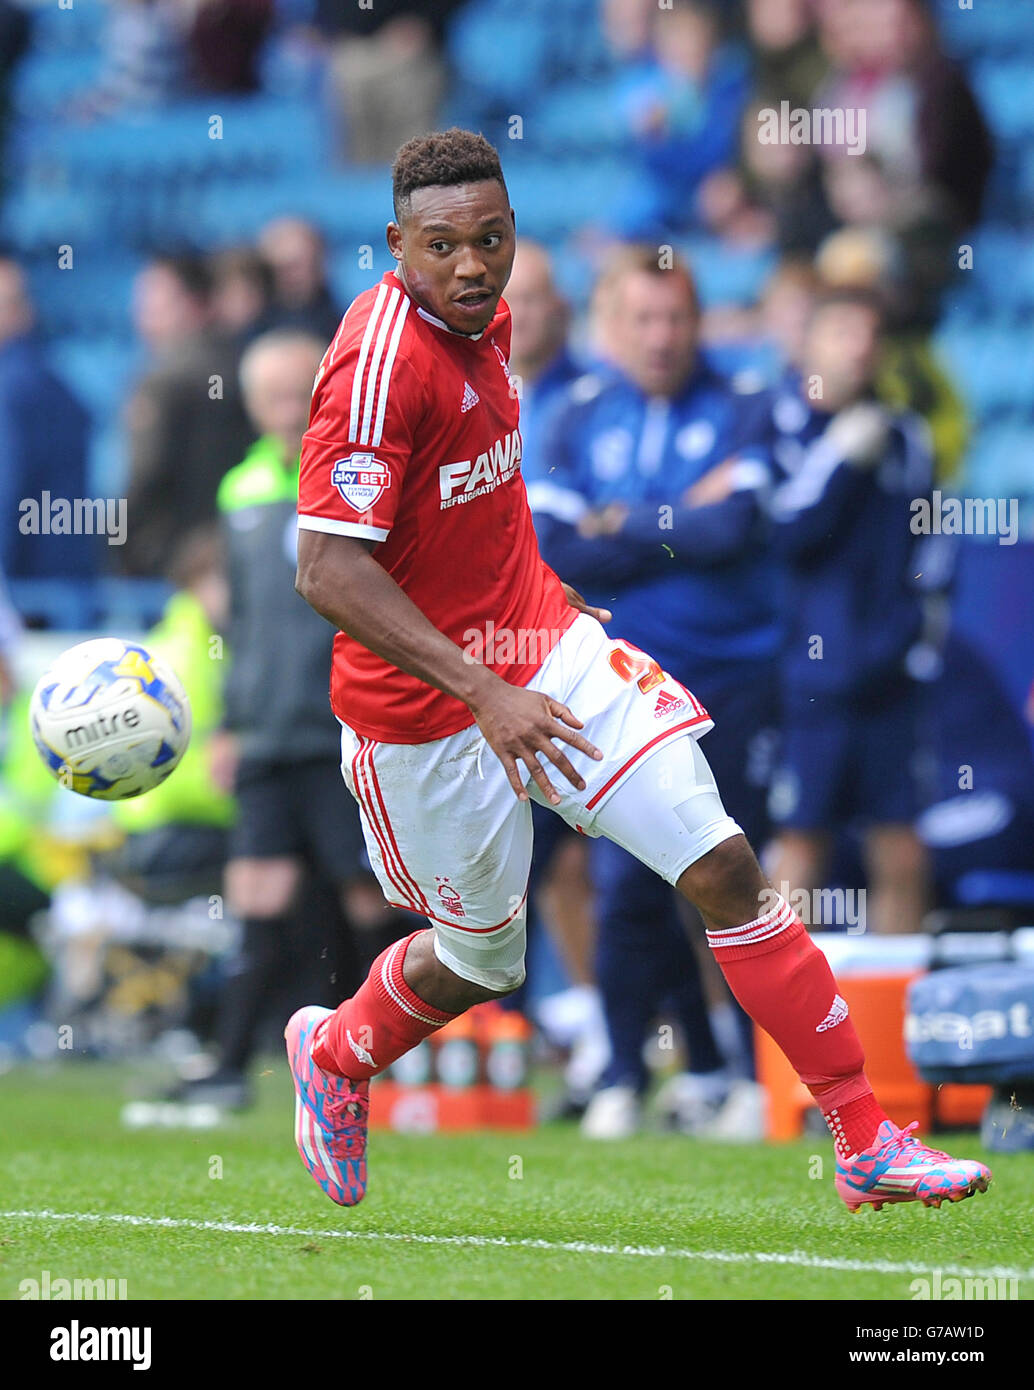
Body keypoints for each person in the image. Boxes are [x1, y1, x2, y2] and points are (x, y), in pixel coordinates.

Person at [286, 127, 990, 1214]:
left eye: (490, 239)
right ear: (394, 246)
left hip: (541, 647)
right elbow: (327, 569)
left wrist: (533, 590)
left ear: (513, 231)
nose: (471, 265)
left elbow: (478, 488)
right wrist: (481, 687)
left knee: (720, 862)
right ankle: (335, 1053)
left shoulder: (491, 318)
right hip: (419, 710)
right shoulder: (377, 367)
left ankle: (863, 1138)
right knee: (481, 960)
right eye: (441, 246)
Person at [533, 246, 779, 1138]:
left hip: (734, 677)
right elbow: (561, 547)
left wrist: (621, 522)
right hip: (624, 681)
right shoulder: (574, 414)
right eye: (642, 319)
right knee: (627, 883)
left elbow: (736, 528)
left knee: (735, 876)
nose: (662, 335)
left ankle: (757, 1080)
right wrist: (672, 519)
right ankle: (626, 1076)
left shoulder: (748, 403)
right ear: (609, 326)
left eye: (676, 317)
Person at [189, 329, 393, 1108]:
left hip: (341, 726)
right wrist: (228, 724)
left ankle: (383, 1063)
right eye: (267, 391)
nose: (281, 403)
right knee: (256, 896)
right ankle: (229, 1066)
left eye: (293, 388)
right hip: (268, 734)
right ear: (248, 401)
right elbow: (238, 624)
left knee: (366, 897)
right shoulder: (241, 487)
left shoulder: (352, 474)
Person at [764, 288, 934, 936]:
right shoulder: (782, 425)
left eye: (870, 335)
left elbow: (930, 551)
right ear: (809, 343)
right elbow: (786, 534)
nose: (859, 348)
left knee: (902, 847)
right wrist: (837, 459)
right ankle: (784, 1029)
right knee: (800, 841)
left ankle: (898, 1022)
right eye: (841, 332)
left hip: (890, 676)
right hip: (809, 683)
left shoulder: (905, 438)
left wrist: (916, 641)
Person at [119, 254, 253, 577]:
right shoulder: (245, 365)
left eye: (156, 306)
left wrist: (119, 546)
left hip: (172, 562)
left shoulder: (163, 381)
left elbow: (146, 475)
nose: (142, 318)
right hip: (235, 549)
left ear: (196, 305)